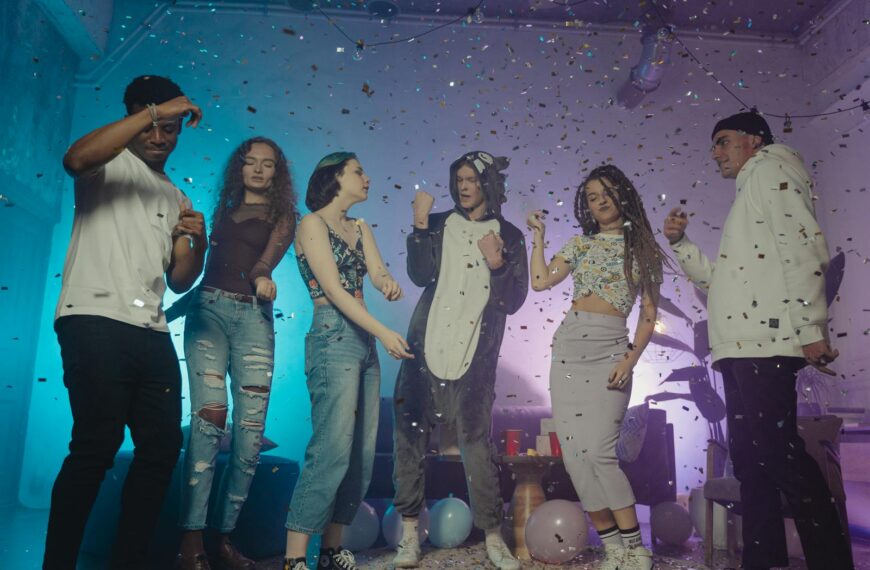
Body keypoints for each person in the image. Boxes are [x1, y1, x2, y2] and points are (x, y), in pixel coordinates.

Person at [663, 112, 853, 570]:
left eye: (723, 141)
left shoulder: (771, 170)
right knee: (751, 464)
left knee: (780, 456)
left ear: (754, 141)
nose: (716, 153)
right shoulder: (750, 194)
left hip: (764, 346)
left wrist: (810, 328)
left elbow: (803, 247)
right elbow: (721, 282)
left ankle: (832, 562)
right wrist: (682, 244)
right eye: (714, 145)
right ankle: (762, 561)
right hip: (739, 347)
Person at [44, 75, 205, 570]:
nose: (159, 137)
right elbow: (74, 159)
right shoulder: (107, 161)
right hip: (93, 319)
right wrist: (157, 111)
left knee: (162, 450)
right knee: (95, 445)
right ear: (134, 119)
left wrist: (199, 242)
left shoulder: (176, 196)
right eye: (151, 125)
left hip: (150, 330)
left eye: (170, 129)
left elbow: (179, 279)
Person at [527, 164, 670, 570]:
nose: (601, 200)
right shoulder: (580, 244)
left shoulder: (643, 249)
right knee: (575, 457)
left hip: (611, 353)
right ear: (586, 206)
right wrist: (538, 238)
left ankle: (636, 548)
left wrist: (630, 359)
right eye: (592, 196)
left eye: (607, 192)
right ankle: (613, 549)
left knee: (601, 454)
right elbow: (540, 281)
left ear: (622, 194)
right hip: (569, 352)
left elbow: (648, 314)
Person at [392, 151, 528, 570]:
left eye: (472, 179)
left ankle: (493, 538)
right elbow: (419, 275)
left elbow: (513, 300)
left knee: (475, 443)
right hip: (424, 348)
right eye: (460, 180)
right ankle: (409, 537)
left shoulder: (509, 235)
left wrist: (497, 263)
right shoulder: (437, 225)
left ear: (488, 183)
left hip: (475, 356)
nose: (464, 187)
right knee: (409, 437)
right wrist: (419, 226)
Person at [283, 152, 412, 570]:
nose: (367, 177)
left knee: (360, 453)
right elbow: (335, 291)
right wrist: (383, 331)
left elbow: (376, 272)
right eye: (359, 171)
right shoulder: (311, 224)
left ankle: (330, 549)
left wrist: (388, 284)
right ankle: (294, 558)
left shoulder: (360, 227)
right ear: (335, 177)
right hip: (332, 335)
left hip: (363, 341)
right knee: (331, 448)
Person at [175, 137, 298, 570]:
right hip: (207, 312)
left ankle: (222, 539)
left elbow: (265, 262)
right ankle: (191, 542)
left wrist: (263, 279)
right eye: (251, 163)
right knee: (208, 422)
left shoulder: (284, 216)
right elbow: (209, 269)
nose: (259, 170)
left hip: (253, 319)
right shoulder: (222, 212)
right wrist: (170, 308)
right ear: (239, 168)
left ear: (278, 174)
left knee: (248, 438)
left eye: (268, 164)